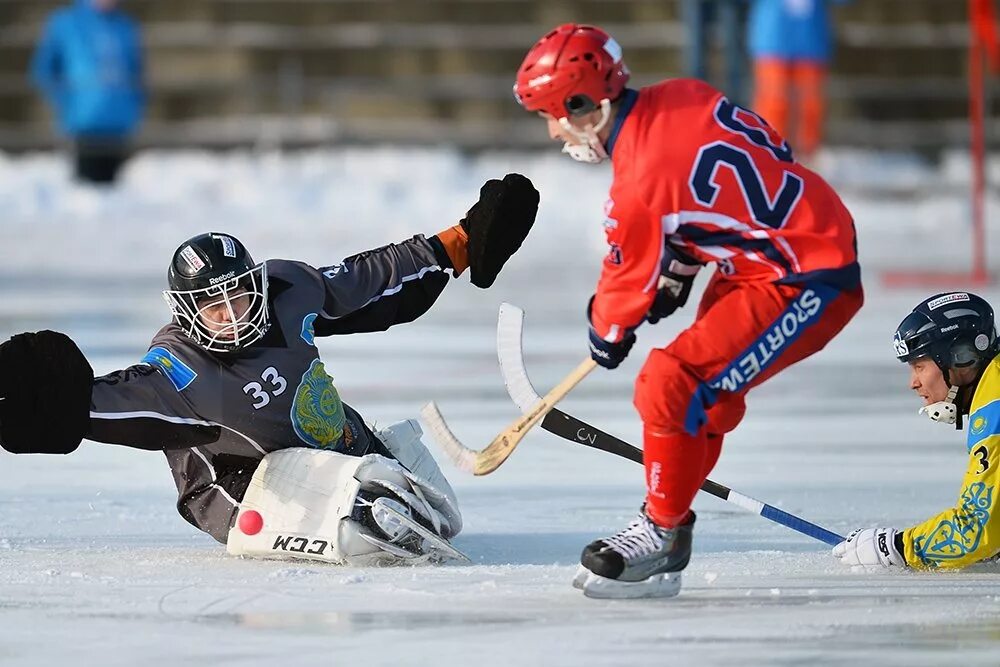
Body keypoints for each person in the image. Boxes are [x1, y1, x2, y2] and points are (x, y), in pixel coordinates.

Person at [0, 174, 539, 566]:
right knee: (367, 519)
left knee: (440, 516)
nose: (233, 315)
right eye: (215, 307)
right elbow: (83, 404)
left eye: (238, 296)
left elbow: (372, 279)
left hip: (337, 446)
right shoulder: (176, 373)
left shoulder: (289, 290)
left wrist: (464, 240)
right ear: (187, 313)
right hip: (245, 489)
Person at [513, 23, 862, 599]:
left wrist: (607, 331)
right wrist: (684, 259)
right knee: (706, 396)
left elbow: (622, 293)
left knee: (667, 383)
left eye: (555, 114)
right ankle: (666, 505)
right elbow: (766, 155)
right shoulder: (683, 93)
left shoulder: (639, 182)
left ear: (585, 104)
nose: (555, 130)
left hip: (807, 277)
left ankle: (664, 530)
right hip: (782, 250)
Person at [833, 292, 1000, 570]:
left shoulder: (994, 409)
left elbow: (973, 532)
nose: (914, 382)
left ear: (962, 357)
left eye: (920, 366)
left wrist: (898, 548)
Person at [30, 0, 145, 185]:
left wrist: (135, 105)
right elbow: (44, 72)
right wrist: (67, 103)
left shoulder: (125, 24)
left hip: (120, 124)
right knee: (86, 196)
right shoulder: (65, 23)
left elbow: (136, 71)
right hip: (82, 124)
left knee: (116, 195)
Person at [746, 0, 851, 161]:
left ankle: (807, 158)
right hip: (773, 40)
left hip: (810, 42)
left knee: (809, 106)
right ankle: (767, 155)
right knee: (773, 103)